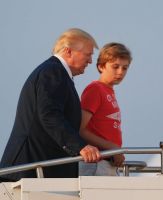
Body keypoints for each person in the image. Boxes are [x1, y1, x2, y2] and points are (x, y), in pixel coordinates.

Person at [0, 28, 101, 182]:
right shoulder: (53, 72)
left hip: (37, 169)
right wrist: (79, 146)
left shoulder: (55, 72)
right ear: (68, 51)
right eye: (88, 55)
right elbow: (49, 114)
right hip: (28, 170)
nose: (90, 61)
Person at [79, 42, 132, 176]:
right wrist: (113, 148)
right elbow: (79, 129)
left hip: (108, 161)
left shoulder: (109, 91)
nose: (120, 72)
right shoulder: (95, 89)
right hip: (96, 163)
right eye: (115, 67)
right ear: (101, 66)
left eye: (125, 68)